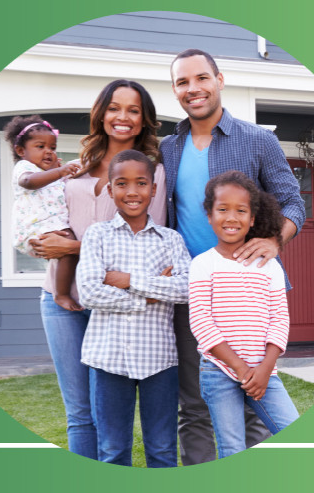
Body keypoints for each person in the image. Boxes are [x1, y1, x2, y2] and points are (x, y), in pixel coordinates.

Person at [161, 48, 306, 464]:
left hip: (247, 288)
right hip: (193, 291)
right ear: (175, 91)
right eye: (182, 82)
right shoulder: (170, 147)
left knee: (255, 405)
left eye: (201, 78)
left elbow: (293, 203)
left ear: (219, 80)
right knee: (194, 404)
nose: (194, 89)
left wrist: (276, 240)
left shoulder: (258, 140)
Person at [27, 80, 166, 459]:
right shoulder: (75, 166)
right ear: (101, 113)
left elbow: (141, 244)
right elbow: (47, 211)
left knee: (108, 416)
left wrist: (70, 246)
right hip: (57, 296)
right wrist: (40, 240)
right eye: (114, 107)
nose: (122, 117)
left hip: (111, 300)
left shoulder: (153, 174)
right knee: (78, 413)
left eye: (133, 110)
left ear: (143, 120)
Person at [76, 150, 190, 467]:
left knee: (163, 450)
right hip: (108, 358)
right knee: (112, 451)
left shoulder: (171, 240)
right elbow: (89, 292)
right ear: (110, 190)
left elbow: (186, 287)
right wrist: (151, 294)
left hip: (159, 361)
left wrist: (128, 280)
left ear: (153, 189)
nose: (132, 192)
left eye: (141, 183)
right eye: (122, 184)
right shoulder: (97, 235)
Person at [188, 171, 300, 458]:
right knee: (232, 448)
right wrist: (240, 369)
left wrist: (263, 370)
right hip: (219, 371)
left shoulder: (269, 265)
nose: (231, 218)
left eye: (241, 210)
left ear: (252, 219)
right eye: (222, 209)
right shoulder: (203, 265)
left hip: (265, 373)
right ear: (209, 215)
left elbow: (279, 318)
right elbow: (201, 321)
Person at [4, 115, 82, 312]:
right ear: (21, 151)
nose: (48, 151)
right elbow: (29, 182)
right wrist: (59, 172)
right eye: (40, 147)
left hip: (50, 224)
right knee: (68, 248)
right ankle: (61, 294)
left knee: (68, 250)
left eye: (53, 148)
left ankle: (64, 290)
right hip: (36, 226)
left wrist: (56, 172)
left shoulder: (49, 173)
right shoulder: (24, 168)